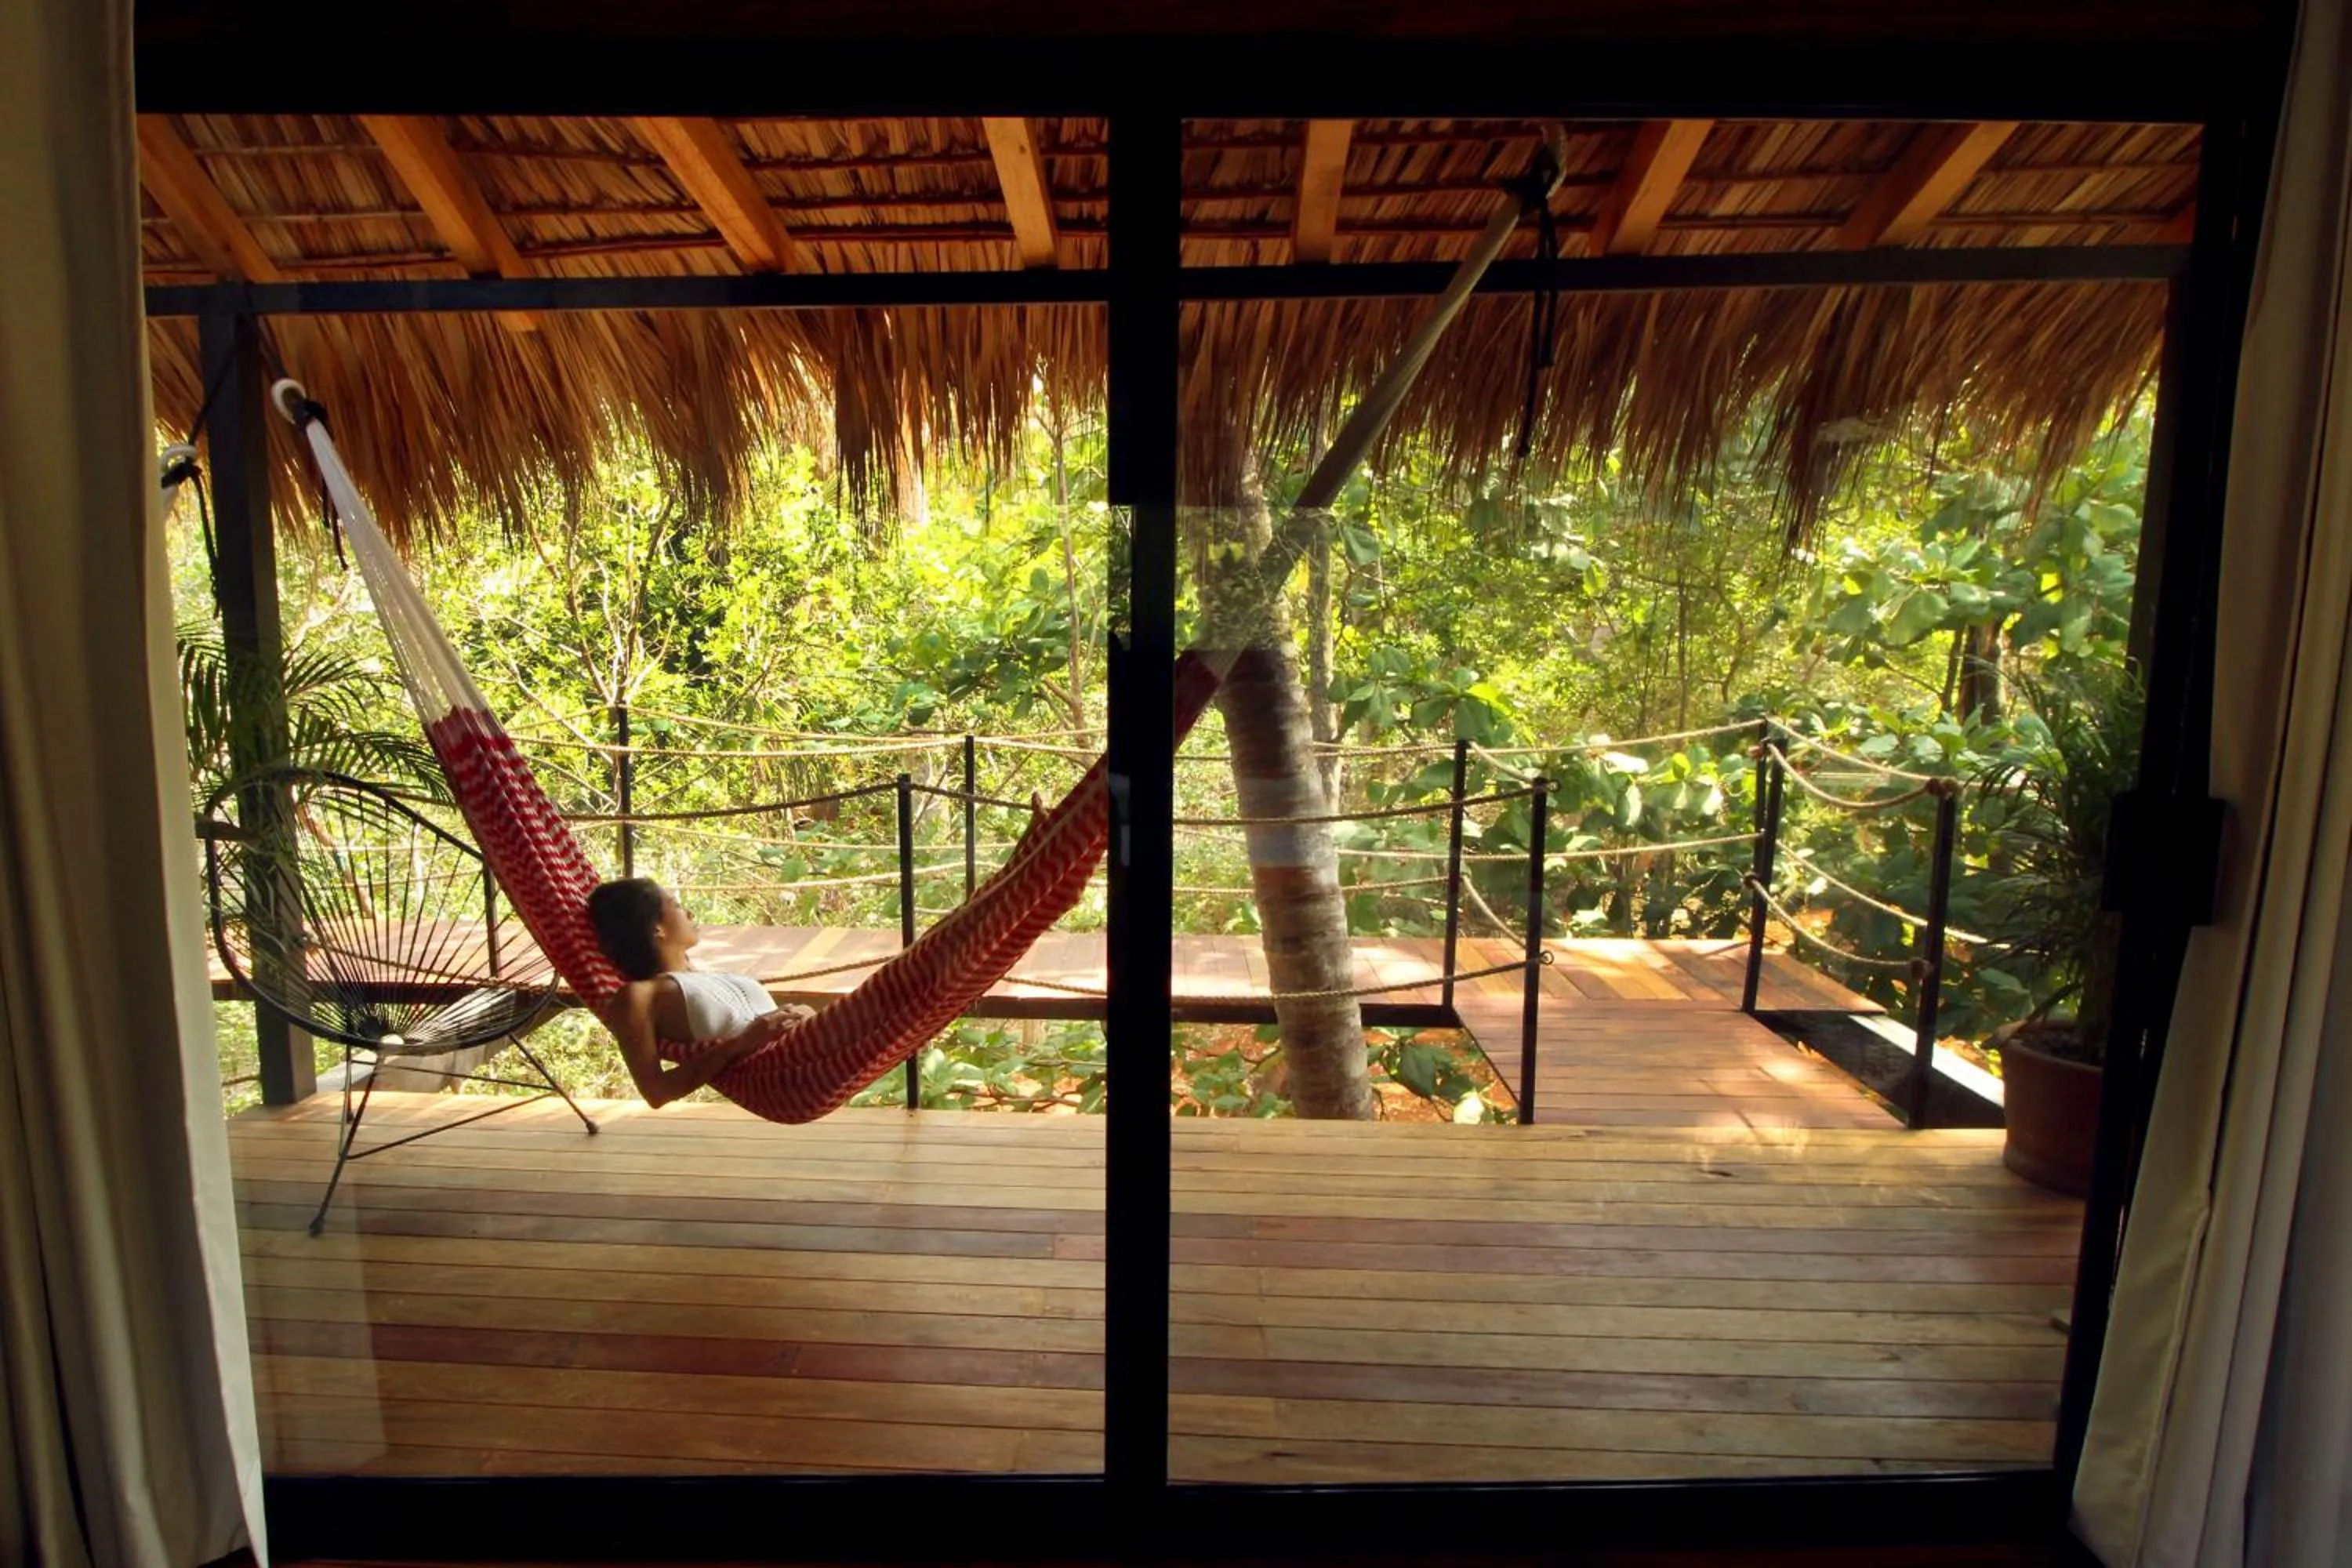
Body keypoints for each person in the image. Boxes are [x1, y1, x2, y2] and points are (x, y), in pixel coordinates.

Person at [586, 877, 815, 1108]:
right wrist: (741, 1043)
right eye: (675, 905)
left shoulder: (709, 975)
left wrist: (802, 1013)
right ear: (657, 928)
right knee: (854, 1010)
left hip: (813, 1048)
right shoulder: (640, 995)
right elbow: (656, 1092)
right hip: (785, 1075)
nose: (690, 913)